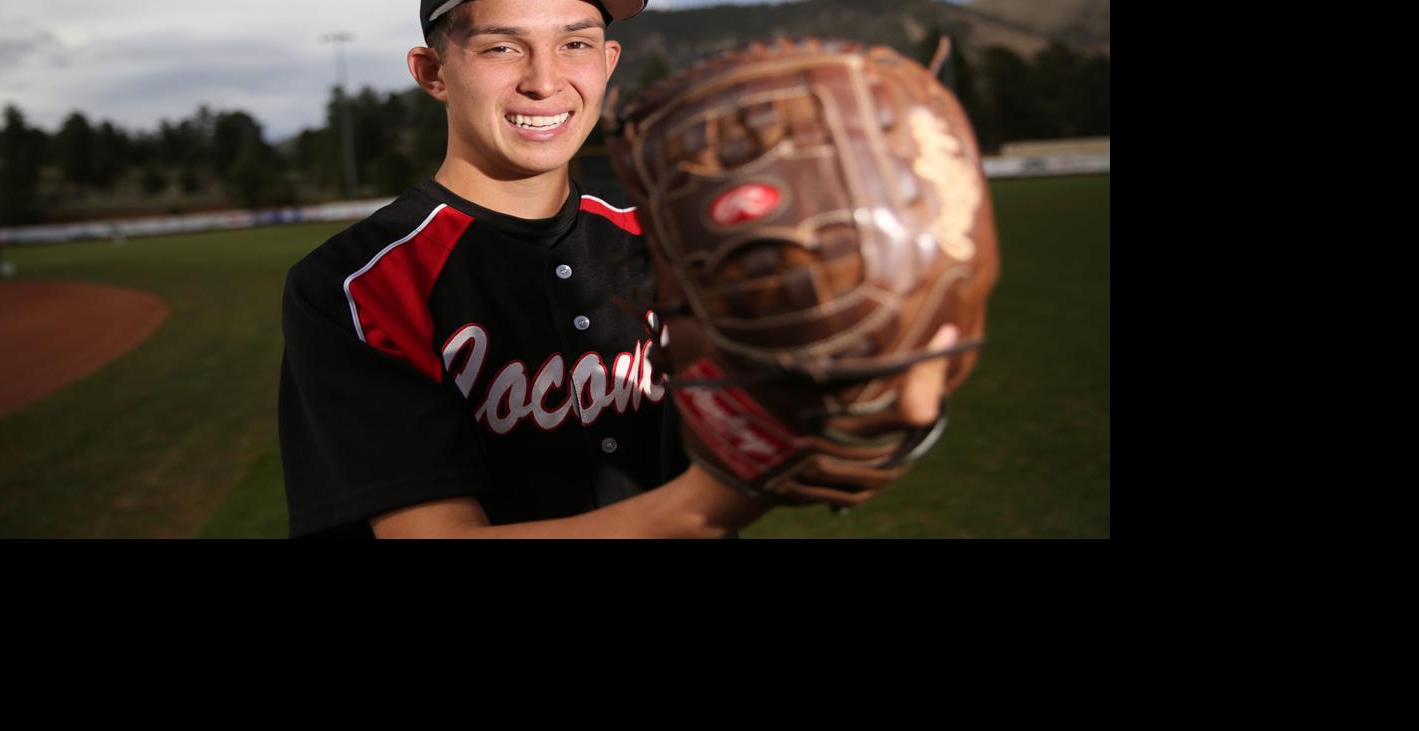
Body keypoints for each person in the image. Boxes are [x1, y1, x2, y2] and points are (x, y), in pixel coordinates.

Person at [278, 0, 954, 538]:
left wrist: (837, 391)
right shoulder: (355, 285)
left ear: (608, 60)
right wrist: (714, 502)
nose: (545, 80)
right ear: (433, 72)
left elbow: (742, 402)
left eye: (574, 43)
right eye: (501, 46)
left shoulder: (670, 234)